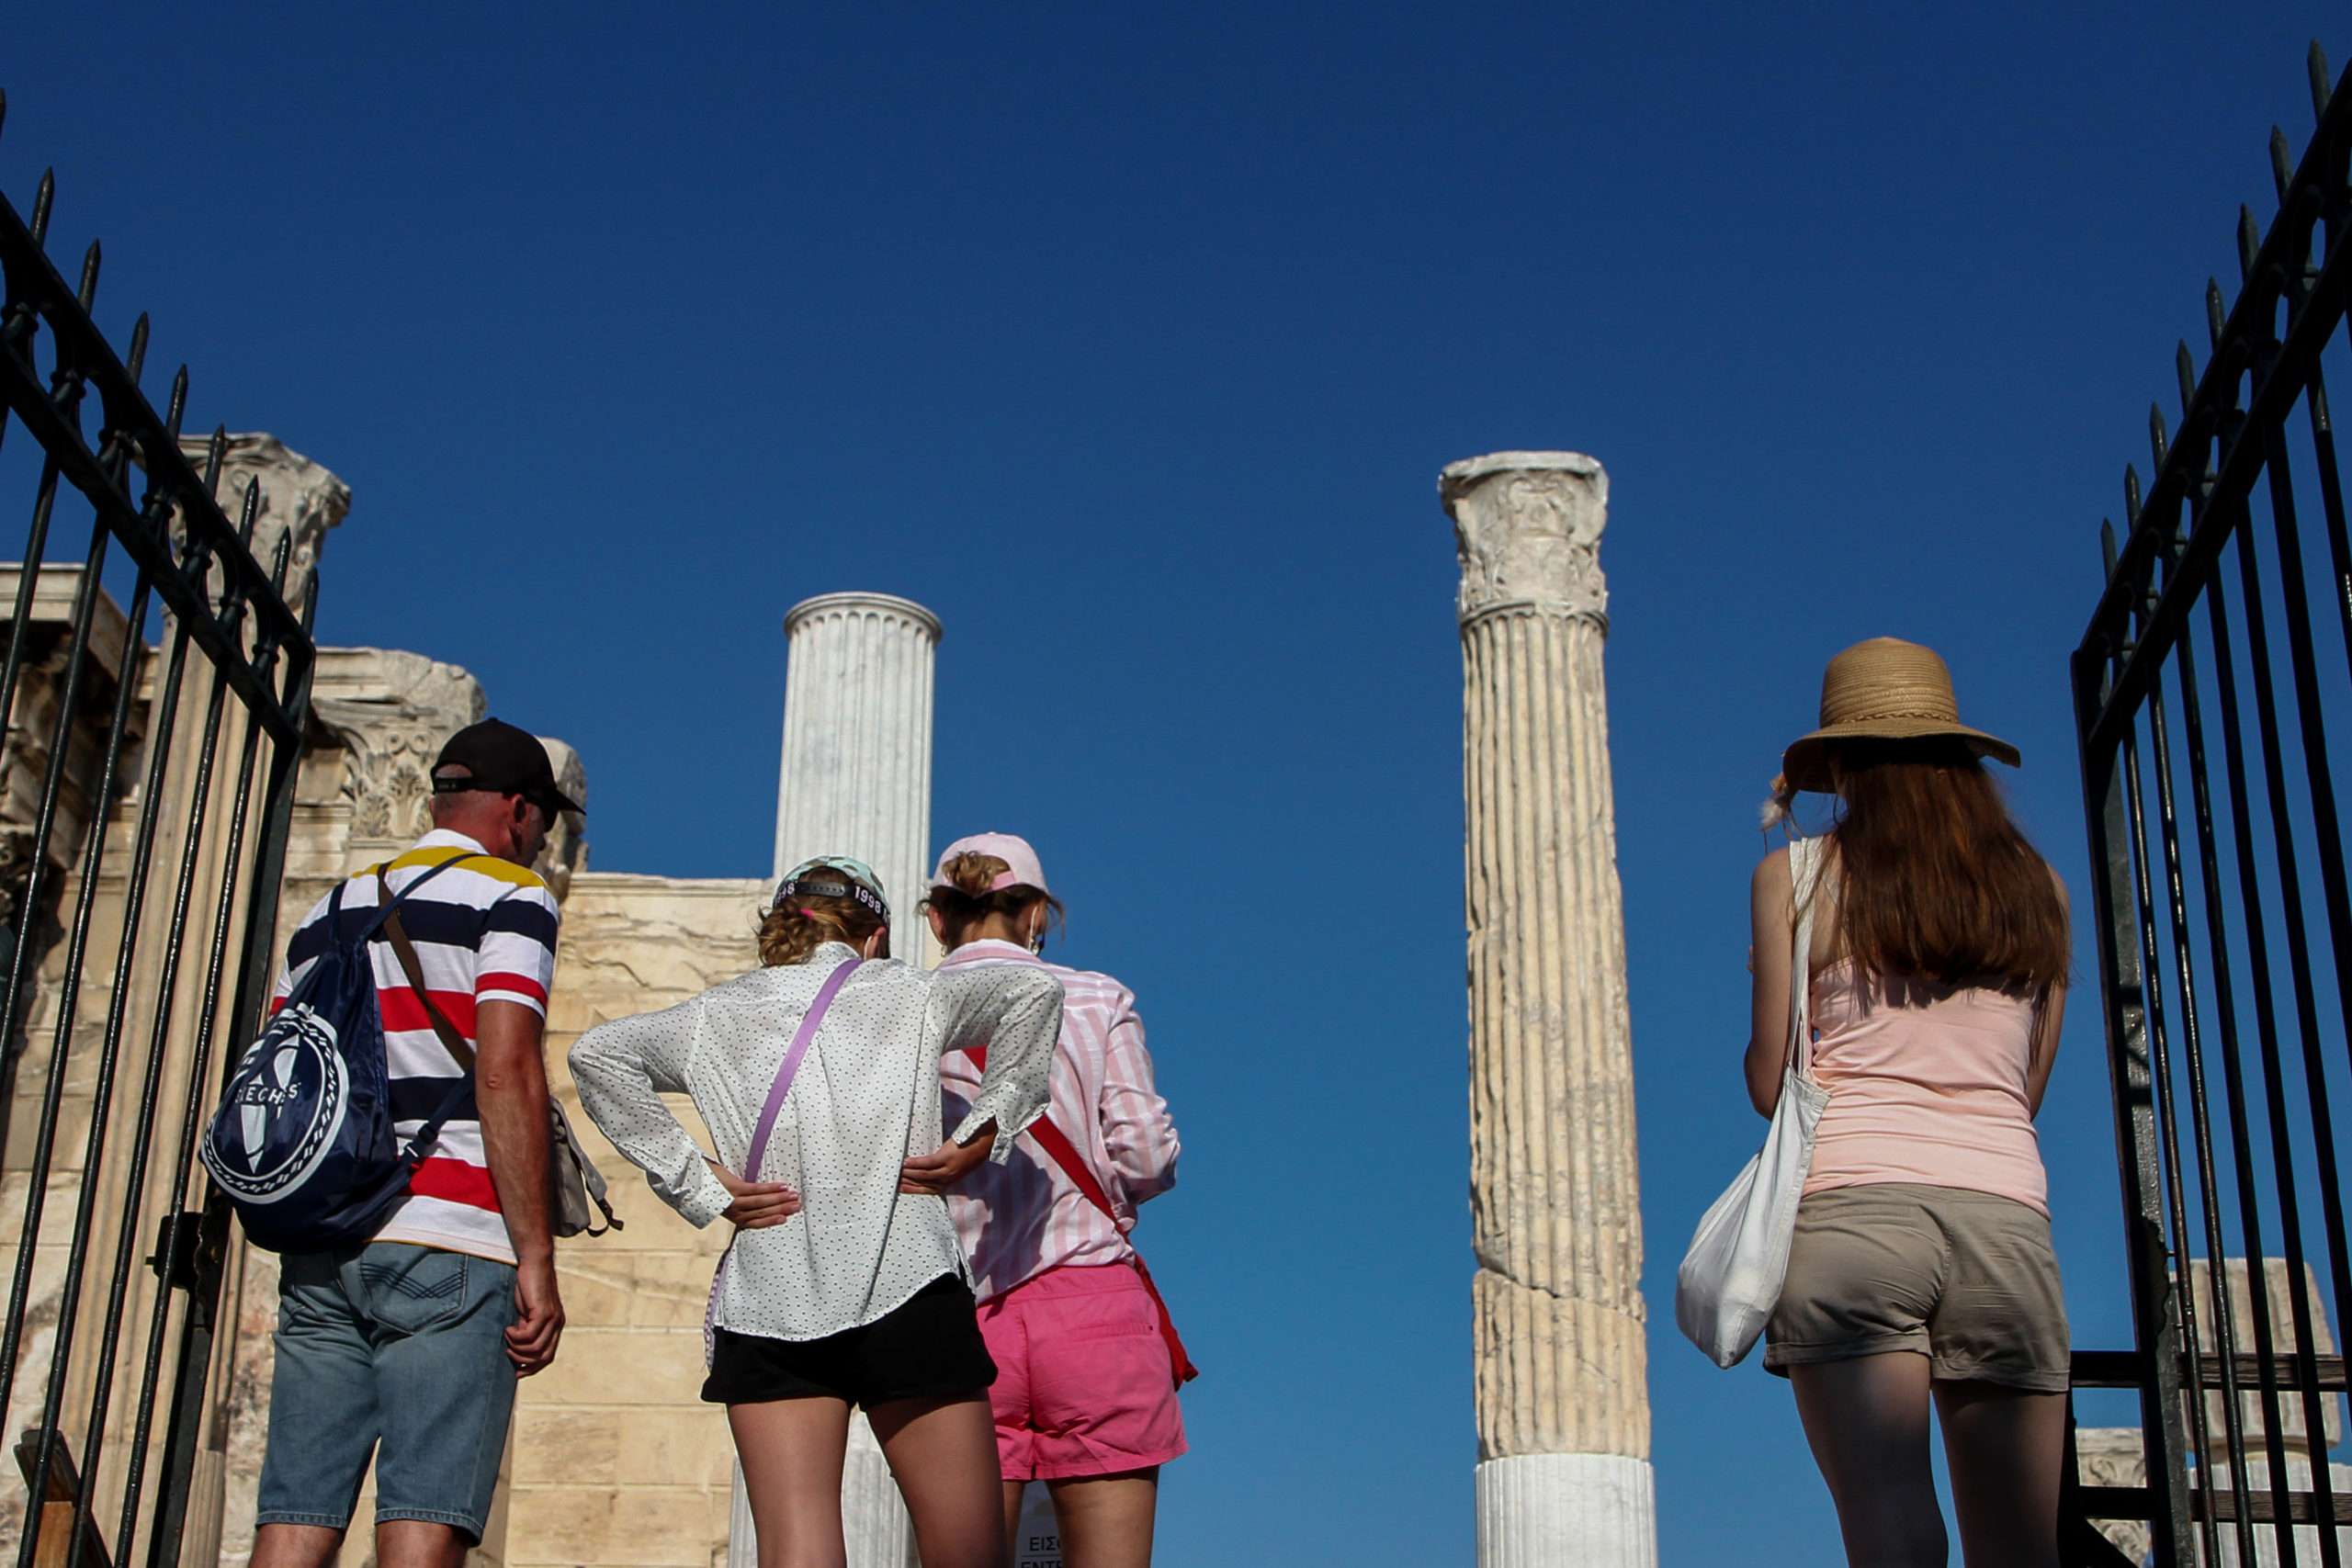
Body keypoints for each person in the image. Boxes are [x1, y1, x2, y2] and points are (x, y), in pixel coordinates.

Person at [567, 857, 1062, 1568]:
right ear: (875, 936)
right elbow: (1033, 991)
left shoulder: (715, 1012)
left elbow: (597, 1054)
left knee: (796, 1546)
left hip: (771, 1294)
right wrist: (979, 1135)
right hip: (908, 1279)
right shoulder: (912, 992)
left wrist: (701, 1182)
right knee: (967, 1551)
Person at [1747, 638, 2072, 1568]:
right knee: (2019, 1546)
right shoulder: (2037, 891)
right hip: (2002, 1210)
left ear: (1842, 762)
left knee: (1888, 1521)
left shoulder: (1797, 878)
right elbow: (2026, 1088)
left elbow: (1774, 1082)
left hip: (1852, 1211)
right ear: (1961, 759)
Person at [249, 718, 578, 1568]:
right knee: (424, 1523)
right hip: (452, 1233)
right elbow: (504, 1070)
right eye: (543, 822)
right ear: (516, 810)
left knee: (292, 1520)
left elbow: (284, 1069)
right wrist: (535, 1253)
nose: (541, 842)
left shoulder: (328, 908)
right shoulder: (511, 896)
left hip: (328, 1240)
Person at [925, 834, 1184, 1568]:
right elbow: (1147, 1154)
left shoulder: (902, 1010)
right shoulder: (1098, 997)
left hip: (957, 1316)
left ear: (937, 919)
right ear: (1038, 913)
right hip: (1094, 1305)